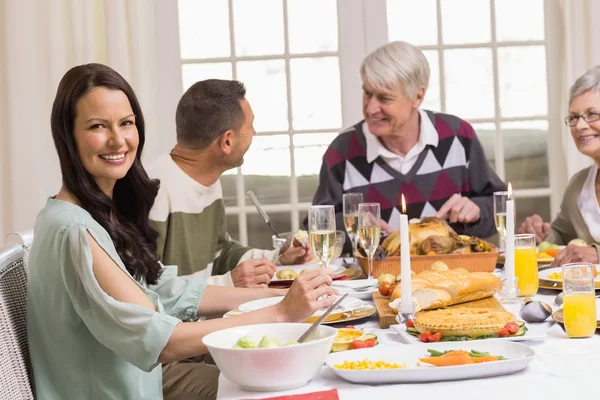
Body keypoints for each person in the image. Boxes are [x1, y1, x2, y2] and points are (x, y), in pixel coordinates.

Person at [27, 63, 337, 400]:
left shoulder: (92, 214)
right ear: (67, 135)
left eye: (126, 123)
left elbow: (164, 289)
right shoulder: (75, 230)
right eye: (98, 126)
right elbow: (162, 340)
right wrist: (281, 313)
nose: (118, 139)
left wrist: (274, 296)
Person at [310, 41, 505, 252]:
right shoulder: (342, 151)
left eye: (384, 97)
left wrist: (477, 211)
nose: (371, 108)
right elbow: (315, 227)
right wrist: (355, 228)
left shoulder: (458, 136)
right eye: (367, 93)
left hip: (451, 277)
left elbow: (500, 207)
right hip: (374, 282)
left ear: (417, 96)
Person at [147, 79, 310, 288]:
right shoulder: (152, 191)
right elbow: (149, 290)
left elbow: (221, 254)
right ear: (227, 141)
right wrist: (229, 282)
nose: (254, 133)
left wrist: (277, 258)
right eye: (250, 126)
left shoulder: (208, 181)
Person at [518, 66, 600, 266]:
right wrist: (540, 235)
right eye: (574, 117)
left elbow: (591, 254)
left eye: (591, 114)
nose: (580, 126)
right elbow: (561, 238)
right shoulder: (579, 185)